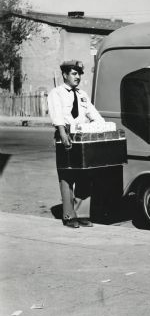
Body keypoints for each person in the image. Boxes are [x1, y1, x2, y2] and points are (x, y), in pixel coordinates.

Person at [47, 60, 105, 228]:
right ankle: (69, 215)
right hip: (65, 135)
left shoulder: (82, 95)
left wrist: (102, 126)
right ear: (65, 75)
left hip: (81, 136)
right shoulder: (56, 93)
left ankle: (83, 214)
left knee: (85, 175)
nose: (77, 77)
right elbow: (56, 114)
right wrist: (63, 133)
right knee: (67, 175)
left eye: (79, 73)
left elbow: (94, 114)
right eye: (74, 73)